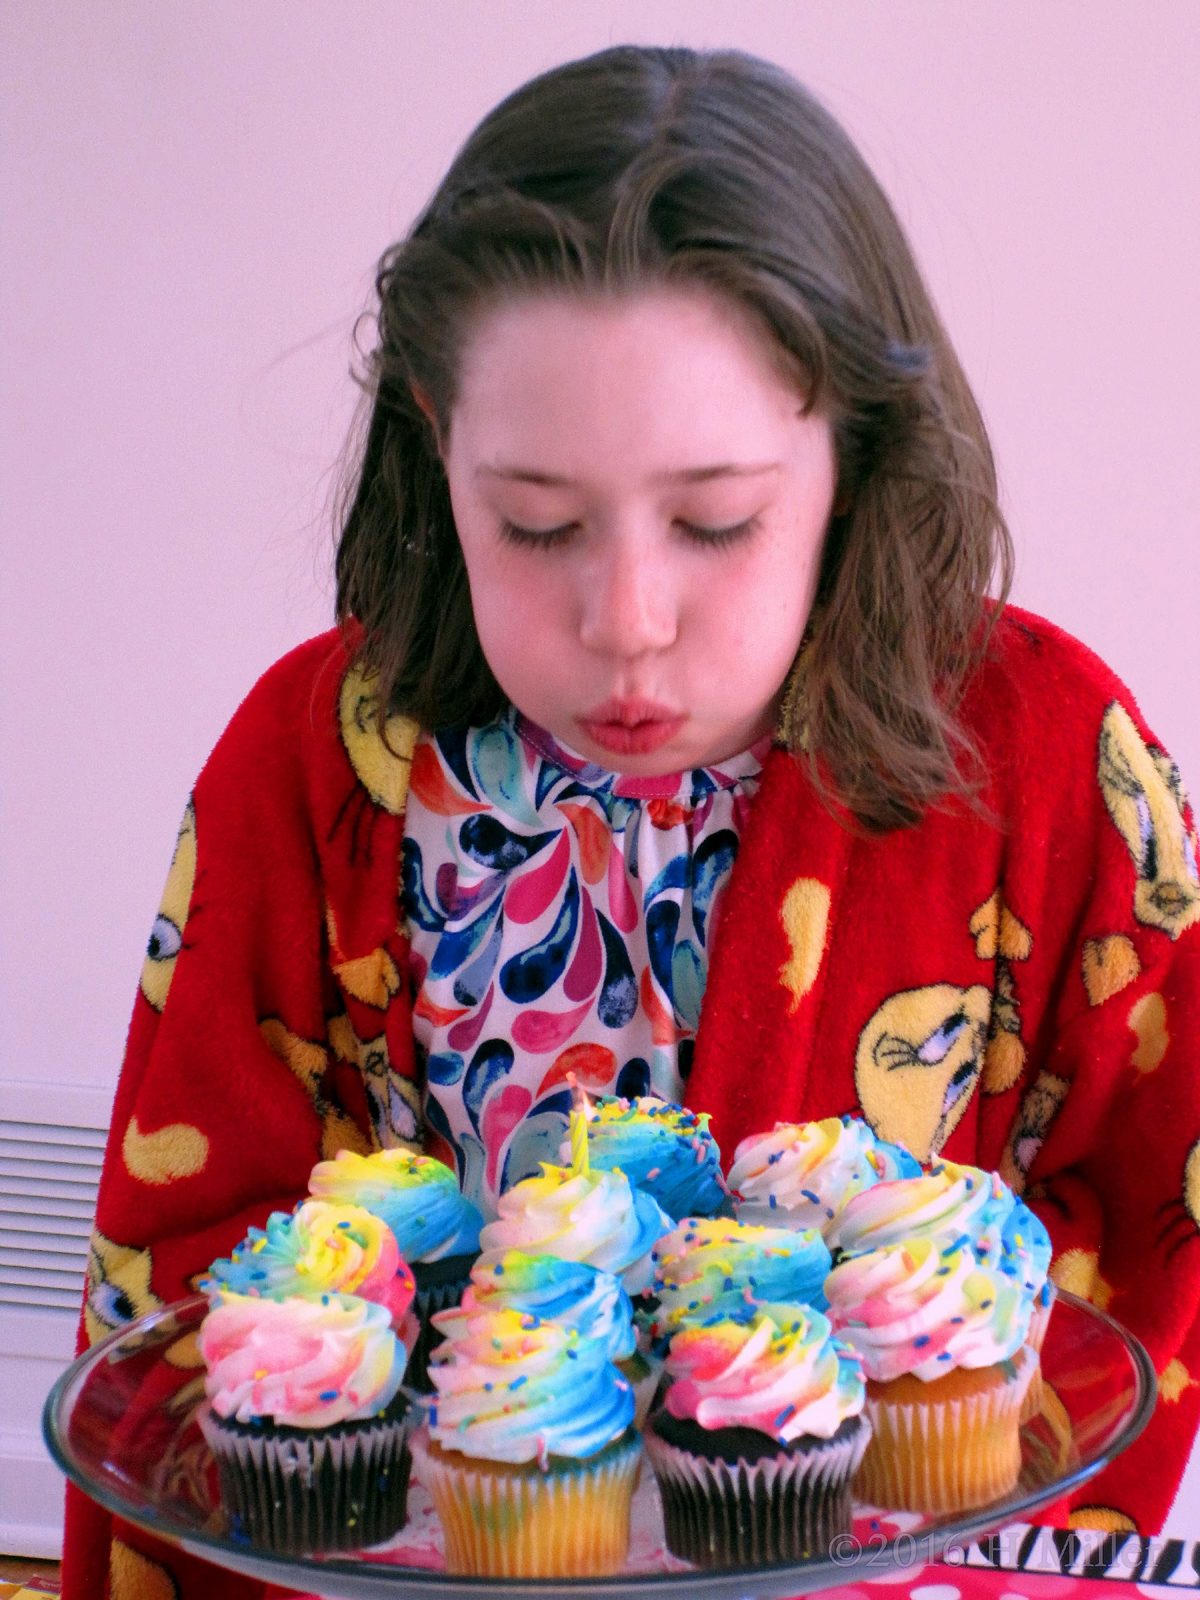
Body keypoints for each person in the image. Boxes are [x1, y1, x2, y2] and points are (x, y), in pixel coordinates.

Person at [64, 44, 1200, 1600]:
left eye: (717, 521)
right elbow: (180, 1307)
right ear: (429, 440)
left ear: (853, 462)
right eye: (535, 521)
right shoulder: (304, 768)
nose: (629, 622)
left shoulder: (1049, 758)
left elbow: (1156, 1225)